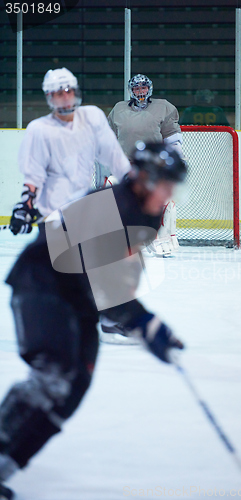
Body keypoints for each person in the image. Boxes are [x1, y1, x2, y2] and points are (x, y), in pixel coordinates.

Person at [0, 142, 187, 500]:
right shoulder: (113, 207)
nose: (169, 193)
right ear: (143, 179)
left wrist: (144, 323)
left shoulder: (145, 214)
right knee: (54, 376)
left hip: (77, 297)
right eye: (164, 184)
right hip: (42, 285)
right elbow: (102, 280)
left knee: (76, 385)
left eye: (172, 186)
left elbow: (117, 282)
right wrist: (145, 325)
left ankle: (7, 465)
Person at [9, 67, 131, 236]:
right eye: (59, 93)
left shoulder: (92, 118)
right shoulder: (39, 130)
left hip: (83, 216)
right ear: (50, 97)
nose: (66, 97)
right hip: (52, 219)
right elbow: (34, 176)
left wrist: (134, 184)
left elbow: (115, 158)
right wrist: (25, 206)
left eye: (69, 91)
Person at [108, 74, 184, 259]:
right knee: (110, 191)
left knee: (166, 202)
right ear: (131, 90)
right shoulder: (119, 109)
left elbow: (172, 138)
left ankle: (163, 239)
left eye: (143, 88)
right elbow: (108, 138)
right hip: (127, 166)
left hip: (154, 167)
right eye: (136, 88)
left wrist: (176, 160)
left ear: (149, 88)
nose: (140, 91)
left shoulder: (163, 107)